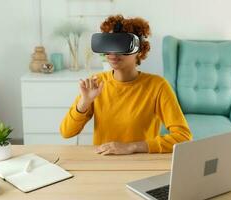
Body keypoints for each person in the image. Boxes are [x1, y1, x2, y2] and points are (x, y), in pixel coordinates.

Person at [60, 14, 192, 155]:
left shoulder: (157, 86)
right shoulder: (96, 84)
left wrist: (132, 147)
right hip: (105, 161)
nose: (113, 53)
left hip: (141, 162)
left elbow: (183, 137)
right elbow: (66, 132)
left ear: (140, 50)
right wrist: (84, 102)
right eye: (110, 44)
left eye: (122, 45)